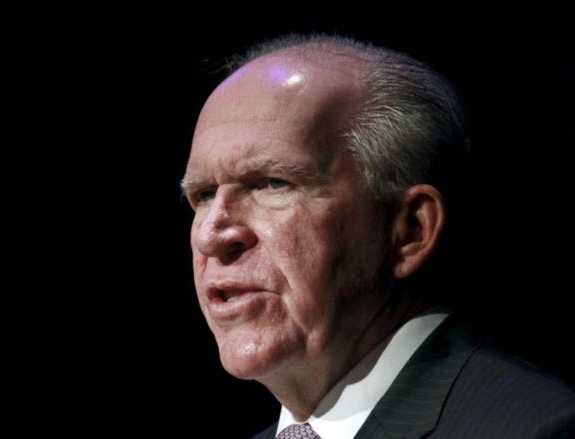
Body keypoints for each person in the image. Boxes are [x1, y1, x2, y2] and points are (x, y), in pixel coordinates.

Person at [180, 34, 575, 438]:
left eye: (273, 184)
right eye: (203, 195)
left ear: (409, 230)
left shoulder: (536, 429)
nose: (211, 237)